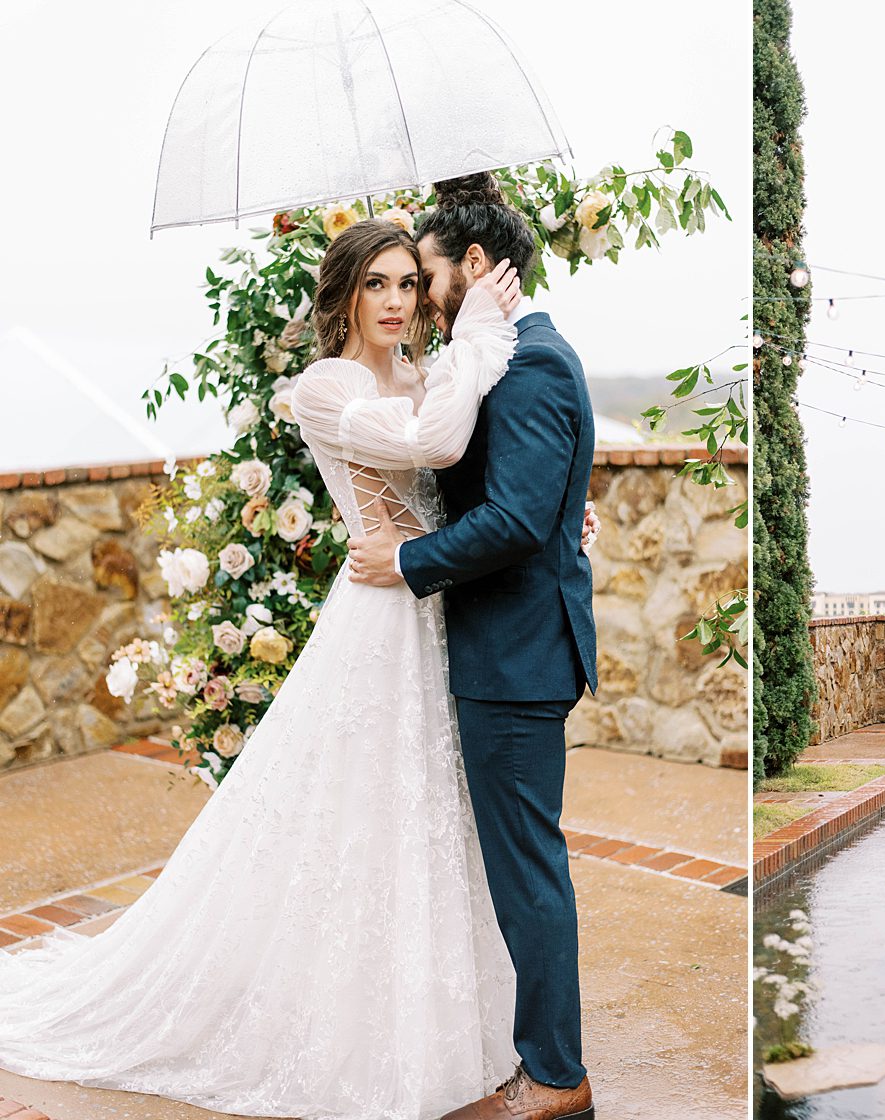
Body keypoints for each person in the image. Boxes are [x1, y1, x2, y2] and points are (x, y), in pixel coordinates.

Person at [0, 215, 593, 1120]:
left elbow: (480, 478)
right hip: (382, 615)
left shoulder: (428, 374)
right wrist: (479, 333)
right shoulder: (324, 388)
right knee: (355, 825)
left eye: (408, 282)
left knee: (431, 827)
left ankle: (439, 1017)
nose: (399, 302)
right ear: (346, 295)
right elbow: (434, 446)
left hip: (442, 620)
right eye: (380, 285)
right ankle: (346, 1022)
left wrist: (558, 517)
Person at [347, 172, 599, 1120]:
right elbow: (541, 497)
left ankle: (559, 1074)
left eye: (430, 272)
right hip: (517, 645)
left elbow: (517, 519)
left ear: (477, 266)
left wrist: (408, 557)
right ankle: (541, 1050)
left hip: (515, 655)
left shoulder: (528, 364)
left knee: (528, 867)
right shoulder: (519, 355)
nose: (420, 294)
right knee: (517, 860)